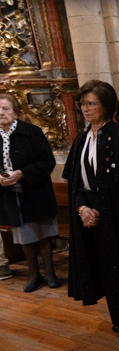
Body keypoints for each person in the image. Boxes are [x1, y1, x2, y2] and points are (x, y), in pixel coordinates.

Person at [63, 80, 119, 340]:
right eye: (83, 104)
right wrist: (81, 208)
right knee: (104, 265)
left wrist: (97, 209)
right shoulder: (82, 138)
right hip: (89, 213)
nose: (85, 109)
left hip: (118, 215)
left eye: (91, 104)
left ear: (106, 106)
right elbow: (76, 180)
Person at [0, 93, 59, 293]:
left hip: (36, 191)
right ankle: (34, 275)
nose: (1, 113)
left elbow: (47, 161)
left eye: (5, 108)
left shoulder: (32, 132)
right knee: (24, 235)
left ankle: (50, 273)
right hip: (11, 195)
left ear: (16, 112)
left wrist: (22, 173)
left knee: (43, 233)